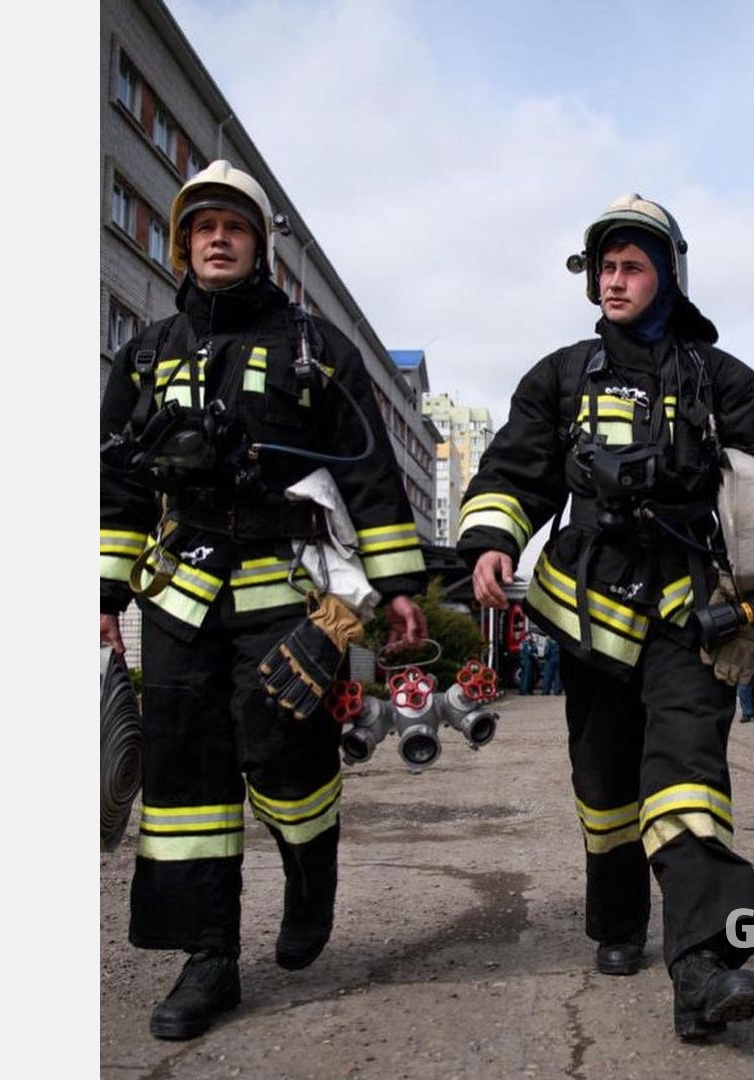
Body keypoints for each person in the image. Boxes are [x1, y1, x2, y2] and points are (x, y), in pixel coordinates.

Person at [456, 193, 754, 1039]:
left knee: (687, 777)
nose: (614, 283)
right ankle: (616, 921)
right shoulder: (561, 375)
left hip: (692, 612)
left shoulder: (722, 379)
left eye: (632, 267)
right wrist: (490, 540)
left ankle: (703, 965)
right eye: (605, 269)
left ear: (667, 277)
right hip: (586, 615)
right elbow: (515, 471)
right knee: (605, 785)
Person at [99, 161, 428, 1040]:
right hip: (180, 596)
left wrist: (394, 589)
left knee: (283, 746)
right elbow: (120, 484)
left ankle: (310, 864)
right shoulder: (146, 353)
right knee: (185, 783)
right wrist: (102, 590)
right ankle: (209, 960)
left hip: (286, 585)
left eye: (233, 226)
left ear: (259, 245)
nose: (216, 238)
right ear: (183, 245)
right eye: (201, 226)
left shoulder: (314, 348)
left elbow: (370, 474)